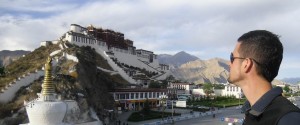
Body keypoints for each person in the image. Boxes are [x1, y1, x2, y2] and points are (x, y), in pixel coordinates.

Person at [227, 30, 300, 125]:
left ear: (246, 64)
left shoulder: (288, 119)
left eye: (232, 57)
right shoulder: (252, 112)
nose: (229, 63)